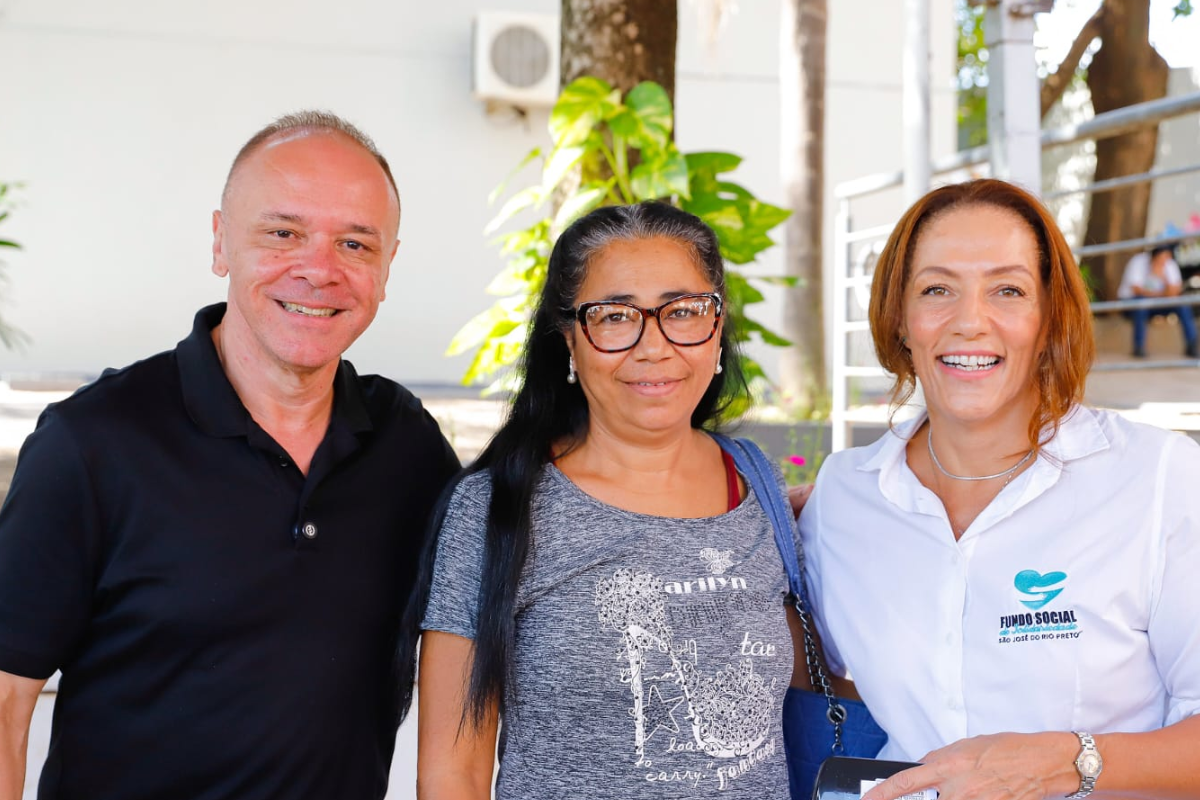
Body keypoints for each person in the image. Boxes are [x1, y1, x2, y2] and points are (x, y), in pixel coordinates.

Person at [0, 111, 459, 800]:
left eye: (356, 244)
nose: (319, 270)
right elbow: (5, 705)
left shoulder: (407, 447)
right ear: (221, 243)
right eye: (283, 233)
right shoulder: (93, 444)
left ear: (388, 266)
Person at [798, 178, 1200, 800]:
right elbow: (813, 665)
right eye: (937, 290)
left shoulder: (1158, 479)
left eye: (1007, 290)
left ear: (1048, 320)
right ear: (900, 320)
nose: (969, 322)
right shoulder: (844, 497)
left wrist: (1071, 761)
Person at [408, 201, 804, 799]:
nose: (654, 346)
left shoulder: (756, 483)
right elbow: (452, 772)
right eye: (616, 316)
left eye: (683, 311)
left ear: (717, 327)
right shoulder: (497, 509)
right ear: (569, 339)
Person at [1117, 243, 1198, 358]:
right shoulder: (1138, 261)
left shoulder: (1169, 263)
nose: (1165, 260)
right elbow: (1136, 289)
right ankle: (1139, 347)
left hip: (1158, 303)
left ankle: (1192, 346)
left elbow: (1175, 291)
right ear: (1154, 255)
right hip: (1133, 304)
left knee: (1182, 304)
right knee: (1141, 302)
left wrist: (1163, 278)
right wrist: (1161, 291)